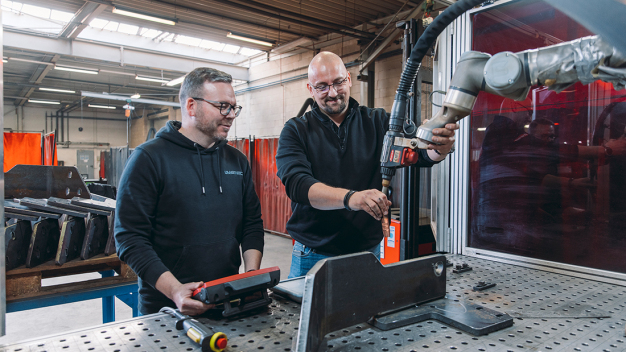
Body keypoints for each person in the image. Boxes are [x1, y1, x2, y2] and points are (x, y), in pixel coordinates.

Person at [276, 51, 457, 278]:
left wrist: (440, 147)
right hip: (312, 256)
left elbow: (421, 155)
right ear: (310, 89)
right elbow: (298, 185)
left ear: (349, 79)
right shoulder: (295, 130)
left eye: (338, 82)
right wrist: (353, 198)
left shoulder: (379, 122)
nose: (332, 93)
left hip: (367, 254)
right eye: (322, 86)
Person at [115, 67, 264, 315]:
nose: (230, 115)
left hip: (228, 300)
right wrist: (175, 290)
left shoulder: (237, 161)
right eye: (222, 106)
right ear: (192, 106)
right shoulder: (149, 159)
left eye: (233, 107)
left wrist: (250, 276)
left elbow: (252, 224)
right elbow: (129, 238)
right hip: (168, 308)